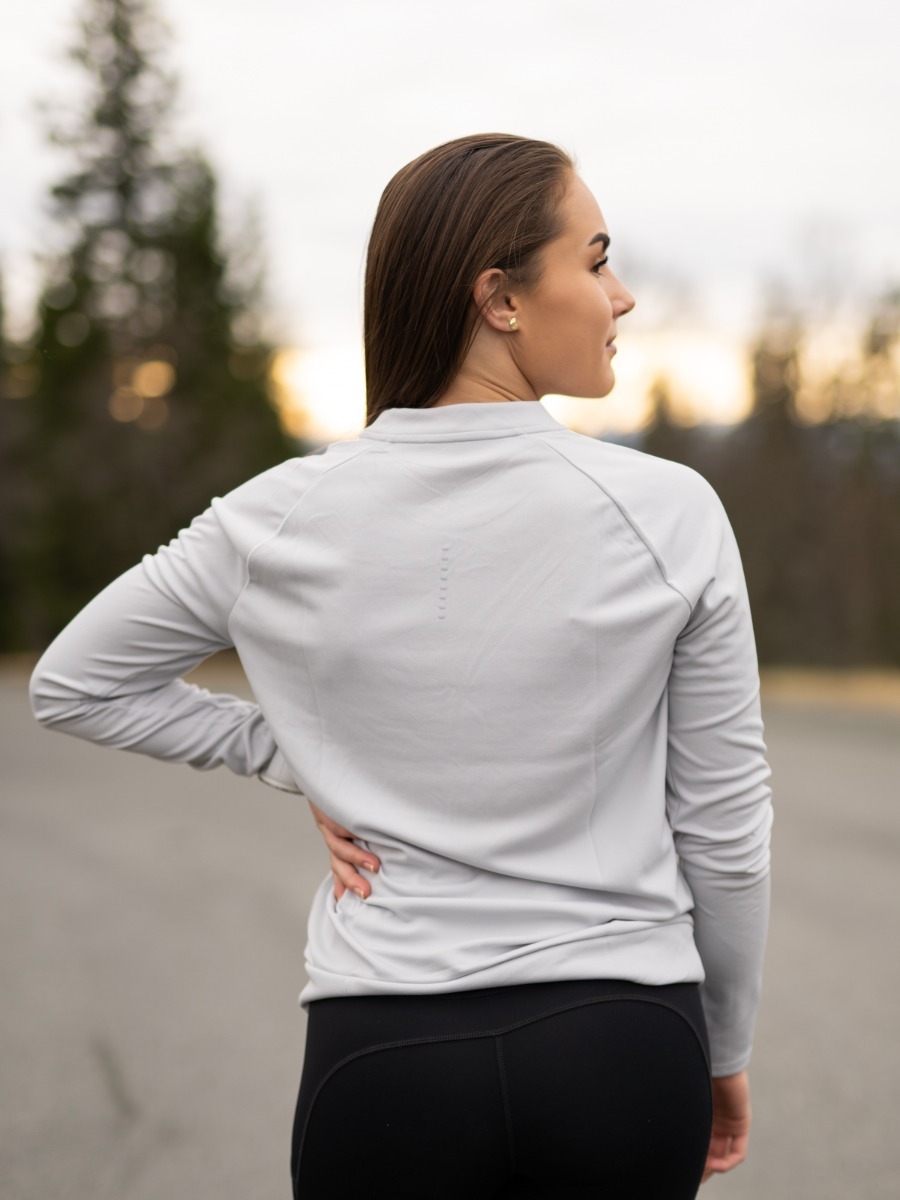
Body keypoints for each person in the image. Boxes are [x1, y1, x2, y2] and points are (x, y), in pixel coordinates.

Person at [29, 132, 773, 1199]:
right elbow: (725, 827)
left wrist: (290, 756)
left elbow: (75, 680)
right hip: (623, 1049)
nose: (623, 296)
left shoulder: (278, 517)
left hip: (383, 1066)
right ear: (500, 298)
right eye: (597, 258)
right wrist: (725, 1045)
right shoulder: (668, 512)